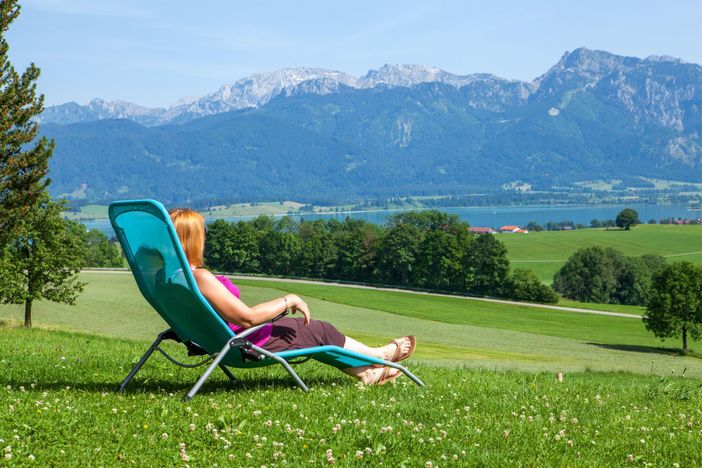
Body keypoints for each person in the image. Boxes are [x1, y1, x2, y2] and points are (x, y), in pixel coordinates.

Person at [168, 208, 416, 385]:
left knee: (312, 333)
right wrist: (289, 300)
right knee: (319, 331)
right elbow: (247, 318)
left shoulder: (170, 277)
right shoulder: (199, 278)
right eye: (203, 232)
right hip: (245, 343)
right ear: (193, 239)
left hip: (221, 339)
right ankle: (379, 356)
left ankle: (366, 373)